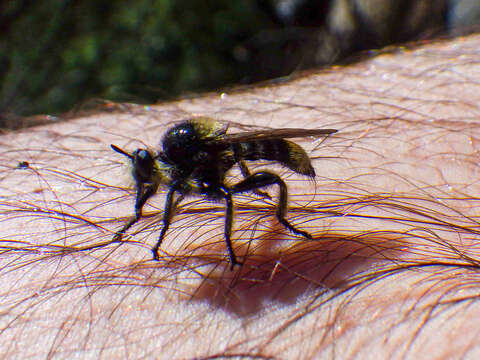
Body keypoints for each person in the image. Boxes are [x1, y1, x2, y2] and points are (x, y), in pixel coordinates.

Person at [2, 33, 480, 359]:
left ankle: (282, 222)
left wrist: (204, 238)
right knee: (239, 191)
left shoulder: (186, 160)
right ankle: (282, 220)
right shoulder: (176, 165)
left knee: (234, 196)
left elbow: (216, 179)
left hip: (271, 149)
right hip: (238, 155)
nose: (148, 185)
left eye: (147, 175)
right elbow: (185, 182)